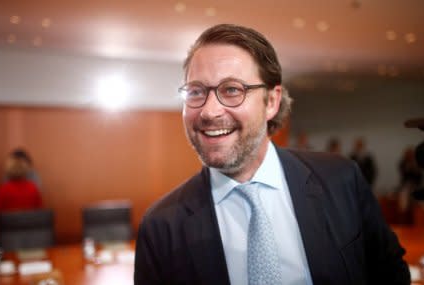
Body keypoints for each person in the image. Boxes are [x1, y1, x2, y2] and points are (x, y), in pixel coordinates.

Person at [134, 24, 409, 285]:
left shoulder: (340, 179)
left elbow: (390, 273)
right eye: (196, 91)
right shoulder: (161, 226)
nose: (209, 111)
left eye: (232, 90)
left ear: (272, 102)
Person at [0, 150, 42, 216]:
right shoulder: (33, 188)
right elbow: (40, 211)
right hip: (30, 224)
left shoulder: (4, 189)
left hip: (9, 225)